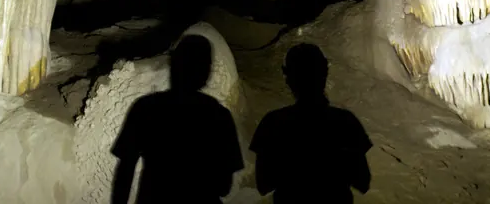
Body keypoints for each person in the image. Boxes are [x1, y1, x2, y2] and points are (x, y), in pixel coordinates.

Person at [110, 34, 244, 204]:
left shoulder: (146, 108)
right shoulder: (218, 115)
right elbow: (224, 186)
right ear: (206, 71)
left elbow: (125, 170)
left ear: (174, 65)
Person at [249, 43, 372, 203]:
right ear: (324, 74)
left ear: (289, 79)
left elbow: (263, 184)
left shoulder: (273, 123)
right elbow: (363, 182)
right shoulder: (346, 122)